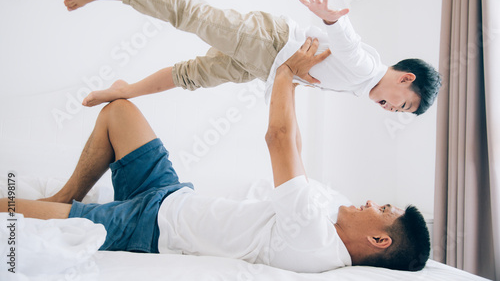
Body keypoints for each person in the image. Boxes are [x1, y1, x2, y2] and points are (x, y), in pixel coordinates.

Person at [0, 39, 430, 272]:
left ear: (379, 240)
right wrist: (298, 85)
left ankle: (59, 207)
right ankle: (66, 194)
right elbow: (294, 148)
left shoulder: (315, 240)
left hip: (147, 227)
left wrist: (285, 72)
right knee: (120, 111)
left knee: (14, 212)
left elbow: (278, 138)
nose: (371, 202)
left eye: (383, 210)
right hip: (169, 194)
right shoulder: (330, 215)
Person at [63, 0, 441, 115]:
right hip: (268, 43)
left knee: (193, 76)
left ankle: (124, 91)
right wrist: (332, 17)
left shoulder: (362, 86)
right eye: (402, 104)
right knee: (194, 15)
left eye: (400, 112)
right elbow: (348, 43)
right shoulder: (367, 69)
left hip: (265, 64)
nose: (393, 109)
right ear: (405, 78)